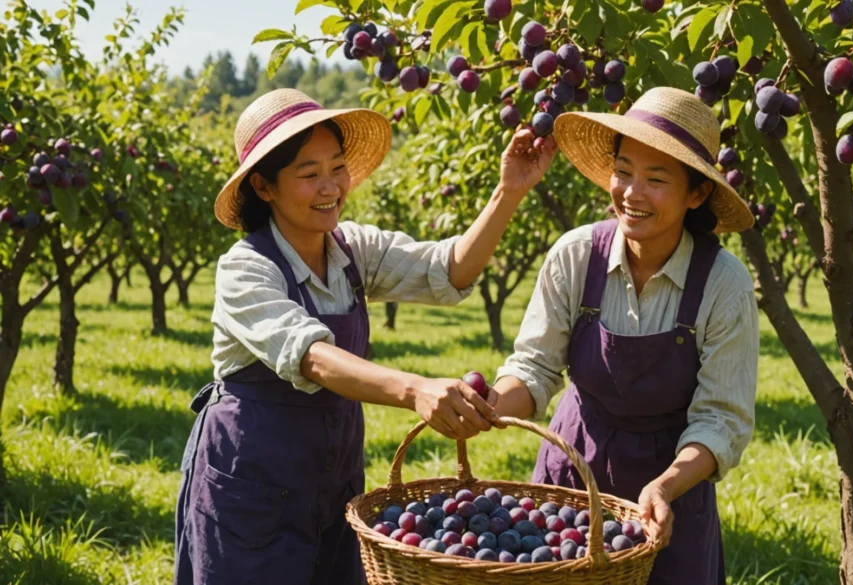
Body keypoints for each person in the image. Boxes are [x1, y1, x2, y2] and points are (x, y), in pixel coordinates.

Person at [173, 88, 556, 585]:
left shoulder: (352, 249)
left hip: (334, 477)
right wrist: (415, 388)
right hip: (254, 477)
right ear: (264, 187)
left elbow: (450, 270)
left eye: (337, 167)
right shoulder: (246, 268)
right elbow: (312, 357)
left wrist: (510, 190)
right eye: (309, 174)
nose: (330, 186)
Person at [489, 87, 758, 584]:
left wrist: (666, 486)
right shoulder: (576, 255)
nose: (632, 193)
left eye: (656, 179)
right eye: (623, 172)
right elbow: (534, 369)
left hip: (669, 492)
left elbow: (721, 420)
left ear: (696, 194)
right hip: (573, 475)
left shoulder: (723, 284)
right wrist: (487, 406)